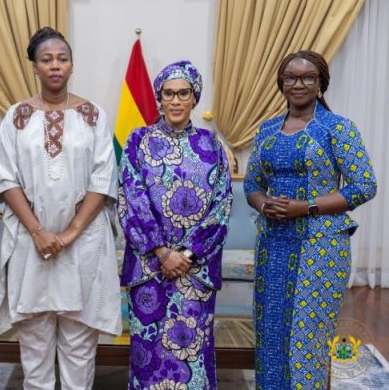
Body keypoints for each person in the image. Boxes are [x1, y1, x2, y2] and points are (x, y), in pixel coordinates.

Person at [0, 27, 122, 389]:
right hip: (30, 246)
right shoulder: (16, 116)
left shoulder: (93, 115)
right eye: (46, 59)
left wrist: (68, 234)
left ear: (72, 65)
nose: (55, 65)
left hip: (83, 245)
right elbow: (5, 179)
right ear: (34, 66)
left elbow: (103, 179)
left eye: (62, 59)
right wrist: (39, 232)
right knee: (35, 353)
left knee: (80, 352)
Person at [244, 50, 377, 389]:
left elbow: (365, 185)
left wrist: (306, 207)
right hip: (272, 245)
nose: (298, 84)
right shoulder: (266, 130)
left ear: (320, 83)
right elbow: (252, 185)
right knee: (270, 334)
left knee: (307, 339)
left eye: (307, 77)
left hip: (321, 246)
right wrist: (264, 205)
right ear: (281, 83)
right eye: (290, 77)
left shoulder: (338, 128)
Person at [118, 60, 233, 389]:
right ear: (159, 98)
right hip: (149, 268)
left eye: (183, 93)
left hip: (194, 271)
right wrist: (162, 252)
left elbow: (222, 206)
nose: (176, 100)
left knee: (192, 356)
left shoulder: (212, 146)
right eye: (168, 93)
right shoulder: (137, 141)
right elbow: (131, 198)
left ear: (195, 97)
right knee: (148, 357)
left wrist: (187, 255)